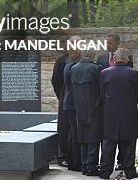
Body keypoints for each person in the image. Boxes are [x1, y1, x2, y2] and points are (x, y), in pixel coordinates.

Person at [99, 48, 138, 180]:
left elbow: (101, 95)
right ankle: (130, 171)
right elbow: (136, 95)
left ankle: (105, 172)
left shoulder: (105, 73)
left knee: (108, 144)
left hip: (109, 113)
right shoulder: (134, 73)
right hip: (128, 113)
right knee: (128, 143)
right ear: (127, 59)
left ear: (114, 59)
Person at [70, 48, 103, 176]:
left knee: (82, 138)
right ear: (93, 55)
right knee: (93, 138)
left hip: (79, 107)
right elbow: (101, 89)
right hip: (94, 107)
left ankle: (84, 165)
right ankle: (91, 167)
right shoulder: (96, 69)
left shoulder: (73, 68)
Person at [63, 39, 82, 172]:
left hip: (70, 104)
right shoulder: (71, 67)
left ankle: (73, 161)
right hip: (72, 104)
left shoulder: (69, 65)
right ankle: (75, 162)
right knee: (75, 134)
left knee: (73, 134)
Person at [52, 50, 69, 167]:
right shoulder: (61, 60)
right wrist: (62, 95)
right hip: (65, 97)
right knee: (64, 127)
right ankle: (63, 155)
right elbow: (56, 81)